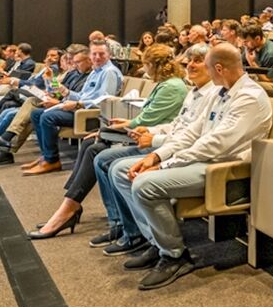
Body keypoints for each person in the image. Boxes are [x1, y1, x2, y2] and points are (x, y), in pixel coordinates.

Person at [109, 43, 273, 290]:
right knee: (120, 170)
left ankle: (174, 255)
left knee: (144, 184)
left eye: (206, 66)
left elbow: (214, 145)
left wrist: (166, 166)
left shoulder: (249, 97)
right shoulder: (220, 92)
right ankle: (156, 242)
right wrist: (156, 156)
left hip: (225, 170)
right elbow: (193, 131)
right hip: (202, 161)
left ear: (218, 68)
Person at [27, 44, 188, 239]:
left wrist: (103, 128)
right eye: (93, 53)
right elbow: (145, 114)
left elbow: (146, 119)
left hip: (149, 137)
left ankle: (101, 217)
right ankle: (76, 206)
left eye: (99, 53)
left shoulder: (170, 86)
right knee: (90, 144)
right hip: (140, 130)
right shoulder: (165, 84)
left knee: (98, 153)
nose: (144, 70)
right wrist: (59, 89)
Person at [89, 44, 217, 252]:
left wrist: (154, 142)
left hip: (186, 154)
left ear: (214, 67)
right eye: (189, 60)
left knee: (114, 165)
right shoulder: (194, 91)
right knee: (101, 156)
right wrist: (151, 132)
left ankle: (150, 239)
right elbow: (178, 126)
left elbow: (199, 139)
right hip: (170, 145)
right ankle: (130, 229)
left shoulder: (203, 92)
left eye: (197, 61)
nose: (190, 65)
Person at [24, 39, 123, 174]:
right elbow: (65, 93)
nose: (71, 63)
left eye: (76, 61)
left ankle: (51, 160)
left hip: (89, 114)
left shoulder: (107, 72)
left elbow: (105, 100)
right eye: (94, 54)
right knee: (36, 113)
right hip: (74, 106)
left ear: (109, 54)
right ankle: (46, 156)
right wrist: (51, 81)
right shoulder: (83, 72)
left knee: (47, 117)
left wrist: (67, 101)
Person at [240, 23, 273, 97]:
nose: (244, 44)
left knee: (246, 85)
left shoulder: (272, 54)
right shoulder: (251, 47)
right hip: (261, 80)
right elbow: (240, 64)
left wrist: (252, 63)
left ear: (257, 39)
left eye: (246, 41)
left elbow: (269, 80)